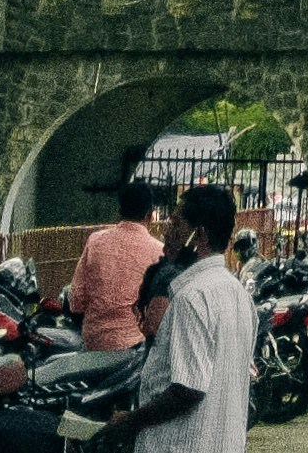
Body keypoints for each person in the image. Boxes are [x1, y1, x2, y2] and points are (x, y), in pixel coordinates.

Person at [95, 186, 253, 453]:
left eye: (175, 223)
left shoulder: (191, 297)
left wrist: (129, 422)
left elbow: (188, 390)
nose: (166, 231)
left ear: (198, 235)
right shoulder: (237, 293)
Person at [68, 177, 174, 350]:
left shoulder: (95, 241)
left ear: (120, 210)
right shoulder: (160, 252)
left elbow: (76, 300)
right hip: (135, 345)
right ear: (150, 214)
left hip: (94, 341)